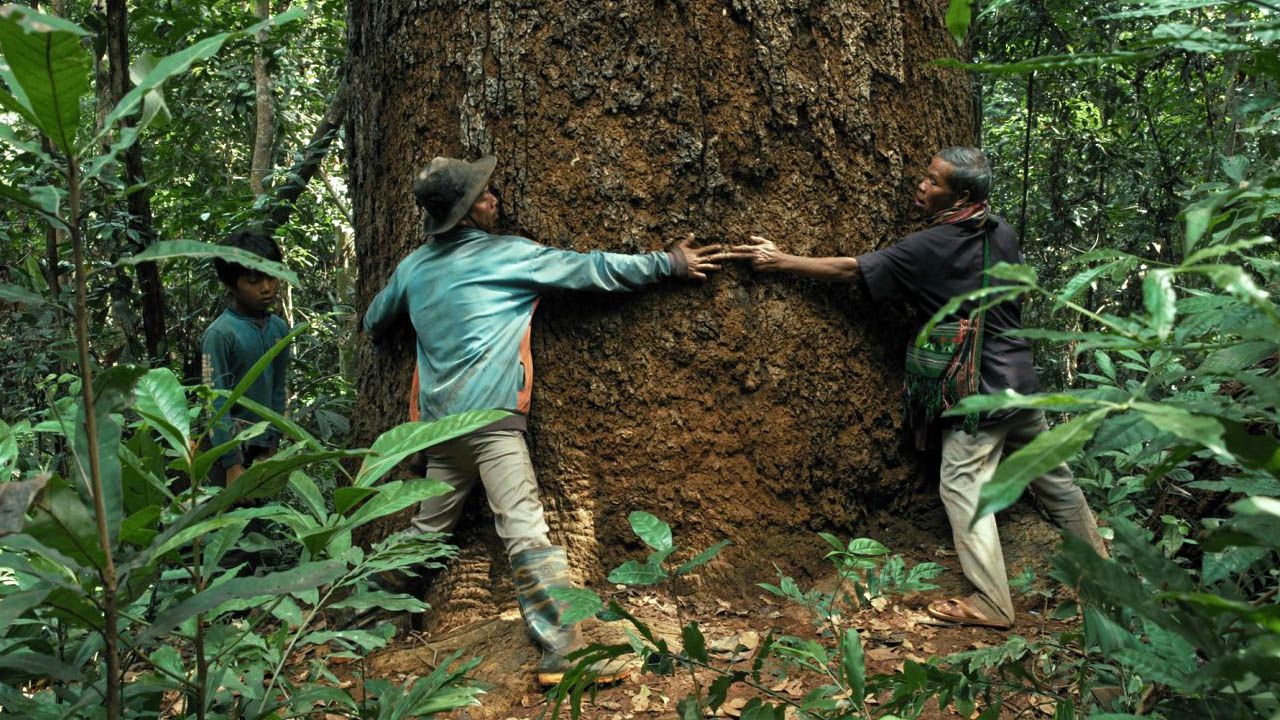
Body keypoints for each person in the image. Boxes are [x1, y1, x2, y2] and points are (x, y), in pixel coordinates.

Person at [363, 155, 724, 684]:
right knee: (526, 532)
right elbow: (592, 269)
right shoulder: (508, 256)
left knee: (425, 531)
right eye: (483, 197)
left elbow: (375, 319)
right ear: (464, 215)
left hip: (438, 431)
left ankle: (365, 621)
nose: (495, 200)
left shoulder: (412, 269)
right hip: (491, 424)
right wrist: (668, 263)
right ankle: (562, 652)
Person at [724, 146, 1107, 629]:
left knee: (963, 485)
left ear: (960, 194)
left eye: (933, 181)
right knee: (1055, 479)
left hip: (980, 392)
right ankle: (1104, 572)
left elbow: (851, 270)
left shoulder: (929, 247)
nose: (921, 185)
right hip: (1020, 380)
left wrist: (780, 261)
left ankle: (992, 601)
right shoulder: (1000, 231)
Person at [202, 230, 291, 492]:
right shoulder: (220, 334)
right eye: (254, 280)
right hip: (227, 455)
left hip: (264, 452)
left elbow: (278, 389)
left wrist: (271, 444)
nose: (266, 287)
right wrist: (231, 464)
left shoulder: (279, 329)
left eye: (271, 276)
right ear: (231, 284)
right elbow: (214, 402)